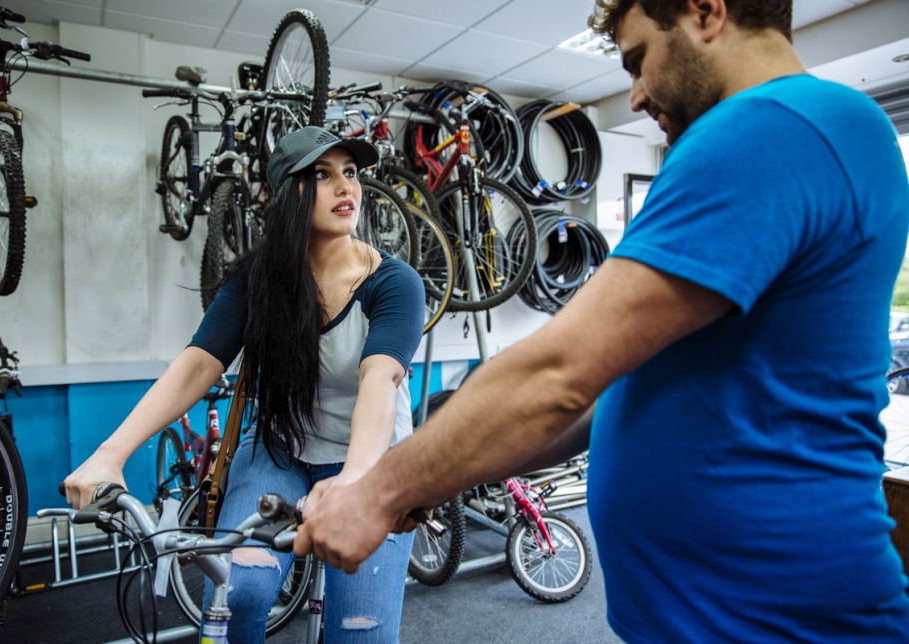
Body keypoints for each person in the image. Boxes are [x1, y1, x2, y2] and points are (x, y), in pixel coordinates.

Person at [294, 0, 909, 641]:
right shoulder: (812, 129)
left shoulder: (770, 128)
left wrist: (376, 492)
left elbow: (558, 375)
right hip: (707, 613)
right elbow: (610, 396)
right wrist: (436, 475)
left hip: (770, 618)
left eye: (639, 59)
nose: (636, 97)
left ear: (707, 11)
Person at [64, 126, 426, 643]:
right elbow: (198, 363)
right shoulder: (258, 280)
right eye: (322, 176)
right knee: (241, 593)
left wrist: (357, 478)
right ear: (287, 197)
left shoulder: (393, 282)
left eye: (350, 173)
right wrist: (110, 454)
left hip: (373, 461)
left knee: (359, 633)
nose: (346, 187)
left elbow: (381, 379)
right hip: (281, 449)